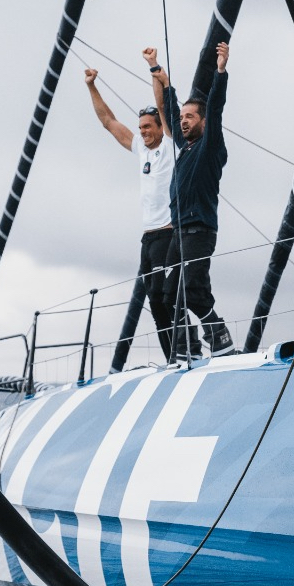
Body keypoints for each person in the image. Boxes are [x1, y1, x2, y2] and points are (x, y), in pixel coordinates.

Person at [84, 63, 179, 360]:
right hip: (148, 239)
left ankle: (189, 352)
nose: (143, 133)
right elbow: (108, 122)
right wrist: (91, 86)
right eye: (141, 129)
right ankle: (172, 358)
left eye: (148, 127)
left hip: (168, 234)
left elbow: (163, 106)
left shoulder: (171, 147)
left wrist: (154, 68)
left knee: (170, 298)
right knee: (155, 301)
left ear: (159, 127)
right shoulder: (141, 149)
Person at [152, 41, 235, 357]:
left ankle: (216, 336)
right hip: (178, 233)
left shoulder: (210, 146)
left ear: (202, 122)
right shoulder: (184, 147)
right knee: (169, 293)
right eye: (183, 117)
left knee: (190, 288)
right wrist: (165, 82)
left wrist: (221, 72)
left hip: (200, 230)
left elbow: (215, 108)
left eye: (190, 116)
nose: (184, 121)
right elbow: (170, 116)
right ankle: (196, 345)